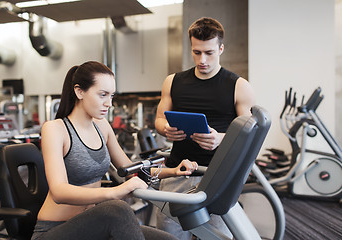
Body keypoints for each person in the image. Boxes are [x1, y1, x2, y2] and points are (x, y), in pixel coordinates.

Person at [31, 61, 199, 240]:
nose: (109, 103)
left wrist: (173, 171)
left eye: (111, 96)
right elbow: (59, 192)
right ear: (79, 91)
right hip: (56, 231)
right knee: (116, 208)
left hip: (94, 227)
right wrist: (115, 192)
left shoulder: (101, 126)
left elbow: (131, 169)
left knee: (167, 239)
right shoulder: (55, 129)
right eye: (102, 95)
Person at [154, 17, 255, 239]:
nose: (202, 59)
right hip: (178, 171)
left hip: (217, 175)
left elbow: (248, 136)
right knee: (168, 234)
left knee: (217, 235)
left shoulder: (238, 86)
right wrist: (165, 129)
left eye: (209, 53)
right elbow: (160, 119)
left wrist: (221, 138)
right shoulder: (173, 81)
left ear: (221, 48)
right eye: (196, 52)